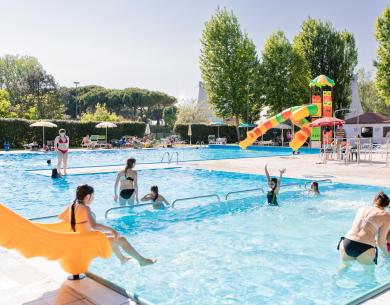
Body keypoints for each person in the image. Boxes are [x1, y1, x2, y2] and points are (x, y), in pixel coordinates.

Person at [59, 184, 156, 266]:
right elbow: (94, 226)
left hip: (82, 237)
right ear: (88, 196)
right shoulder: (85, 208)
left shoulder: (71, 206)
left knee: (115, 237)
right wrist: (111, 229)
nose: (93, 197)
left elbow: (62, 218)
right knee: (122, 239)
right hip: (88, 241)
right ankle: (142, 261)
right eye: (93, 195)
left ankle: (122, 258)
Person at [337, 191, 390, 268]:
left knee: (342, 269)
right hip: (365, 247)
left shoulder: (362, 208)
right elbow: (380, 242)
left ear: (374, 201)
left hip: (347, 242)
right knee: (369, 277)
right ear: (387, 206)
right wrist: (386, 253)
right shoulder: (386, 216)